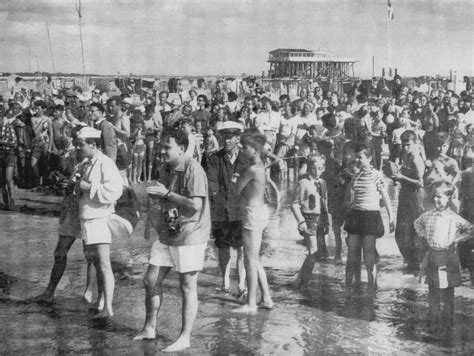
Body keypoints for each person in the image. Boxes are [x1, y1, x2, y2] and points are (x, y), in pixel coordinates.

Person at [134, 129, 210, 353]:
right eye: (161, 146)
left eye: (167, 147)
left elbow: (195, 205)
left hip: (190, 233)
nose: (161, 150)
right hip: (168, 231)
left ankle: (185, 336)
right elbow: (158, 196)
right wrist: (151, 218)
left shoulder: (193, 169)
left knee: (187, 285)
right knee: (150, 280)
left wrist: (167, 194)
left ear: (182, 148)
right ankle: (149, 328)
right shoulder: (165, 166)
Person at [414, 181, 474, 332]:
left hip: (448, 256)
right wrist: (423, 236)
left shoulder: (453, 217)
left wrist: (456, 240)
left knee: (448, 290)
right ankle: (433, 319)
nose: (436, 200)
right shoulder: (427, 215)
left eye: (439, 197)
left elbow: (470, 229)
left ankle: (448, 321)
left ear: (449, 197)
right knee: (432, 288)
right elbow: (416, 224)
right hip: (432, 255)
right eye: (434, 197)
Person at [77, 127, 124, 319]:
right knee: (95, 263)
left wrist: (90, 188)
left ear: (93, 144)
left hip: (100, 219)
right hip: (87, 218)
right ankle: (101, 300)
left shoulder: (106, 163)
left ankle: (108, 308)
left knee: (104, 264)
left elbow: (116, 190)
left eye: (82, 145)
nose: (79, 148)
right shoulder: (86, 163)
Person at [204, 122, 248, 296]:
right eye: (224, 137)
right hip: (221, 211)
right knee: (223, 247)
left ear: (238, 138)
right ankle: (225, 281)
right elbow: (212, 185)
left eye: (230, 137)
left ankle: (242, 283)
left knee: (242, 248)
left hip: (241, 211)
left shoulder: (246, 158)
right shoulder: (214, 159)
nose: (227, 141)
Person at [344, 142, 395, 292]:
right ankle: (348, 288)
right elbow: (350, 198)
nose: (357, 160)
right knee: (352, 254)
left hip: (371, 216)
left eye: (360, 157)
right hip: (356, 215)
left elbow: (385, 197)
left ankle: (372, 287)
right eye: (356, 157)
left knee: (369, 254)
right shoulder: (356, 175)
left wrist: (391, 218)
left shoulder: (377, 176)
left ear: (370, 158)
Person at [232, 129, 273, 313]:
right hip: (260, 211)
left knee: (249, 260)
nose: (242, 150)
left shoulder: (252, 169)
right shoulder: (261, 166)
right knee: (254, 259)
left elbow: (236, 191)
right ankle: (266, 298)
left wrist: (235, 179)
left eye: (245, 147)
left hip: (252, 212)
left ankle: (251, 303)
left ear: (255, 150)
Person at [291, 154, 329, 289]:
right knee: (313, 251)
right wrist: (301, 221)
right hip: (308, 219)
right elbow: (295, 204)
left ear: (323, 168)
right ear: (309, 168)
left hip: (320, 218)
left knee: (314, 252)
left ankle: (299, 279)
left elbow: (324, 202)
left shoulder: (322, 183)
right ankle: (304, 284)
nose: (317, 171)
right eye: (314, 168)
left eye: (320, 168)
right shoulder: (303, 184)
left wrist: (326, 222)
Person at [392, 130, 425, 272]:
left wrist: (401, 178)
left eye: (408, 145)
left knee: (413, 231)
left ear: (415, 143)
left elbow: (421, 183)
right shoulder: (403, 154)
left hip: (414, 196)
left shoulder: (416, 158)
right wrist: (395, 177)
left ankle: (416, 264)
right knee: (400, 232)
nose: (405, 148)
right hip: (403, 195)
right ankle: (410, 260)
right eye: (403, 145)